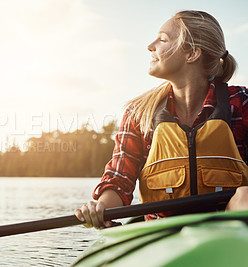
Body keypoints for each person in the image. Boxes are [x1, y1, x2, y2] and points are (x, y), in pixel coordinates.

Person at [75, 10, 248, 229]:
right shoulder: (138, 113)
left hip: (233, 230)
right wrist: (101, 208)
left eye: (163, 39)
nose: (150, 45)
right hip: (160, 234)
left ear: (192, 54)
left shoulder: (241, 103)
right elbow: (120, 180)